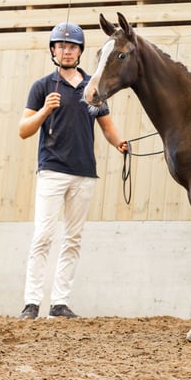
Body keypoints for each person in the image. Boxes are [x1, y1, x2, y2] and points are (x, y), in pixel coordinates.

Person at [17, 21, 127, 320]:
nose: (67, 51)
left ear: (79, 51)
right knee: (43, 235)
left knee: (73, 239)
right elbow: (23, 130)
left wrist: (119, 142)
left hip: (84, 172)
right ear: (53, 50)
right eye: (61, 46)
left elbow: (106, 125)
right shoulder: (42, 87)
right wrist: (45, 110)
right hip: (52, 171)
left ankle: (59, 302)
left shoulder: (92, 86)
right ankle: (31, 302)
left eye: (72, 46)